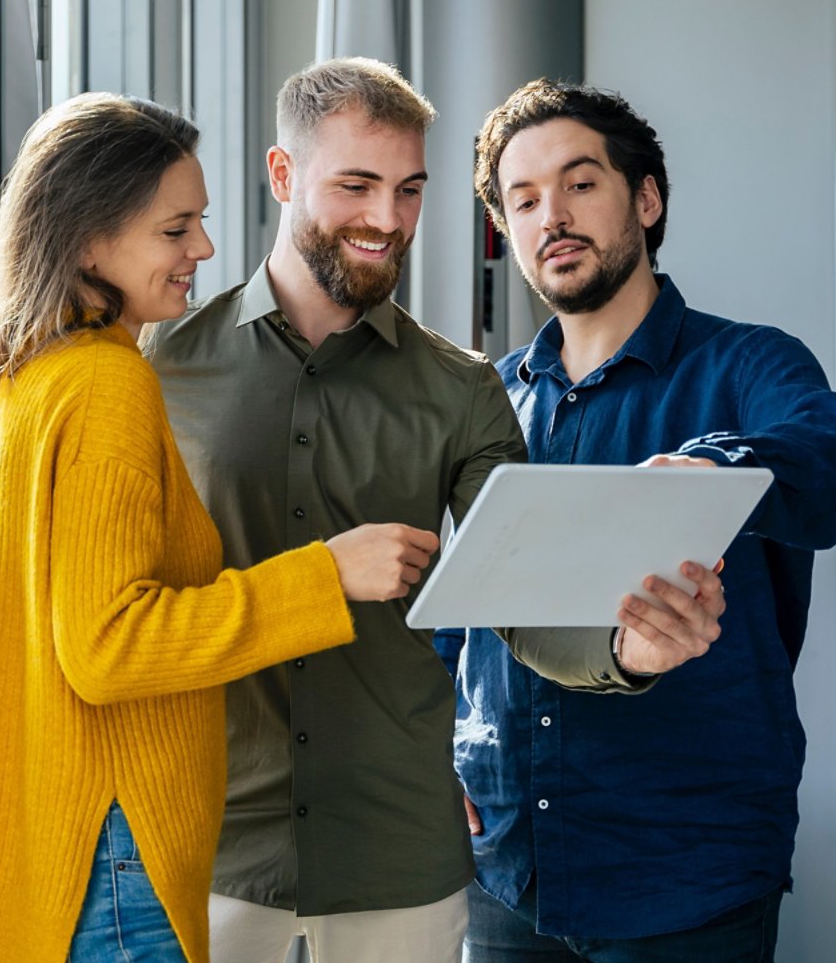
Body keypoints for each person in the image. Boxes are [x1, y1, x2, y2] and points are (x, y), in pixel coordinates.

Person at [143, 58, 728, 963]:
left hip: (400, 865)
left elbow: (522, 596)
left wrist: (622, 650)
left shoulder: (462, 389)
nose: (387, 220)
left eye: (409, 190)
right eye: (357, 185)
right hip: (202, 847)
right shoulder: (157, 367)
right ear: (283, 175)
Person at [0, 92, 442, 963]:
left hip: (65, 846)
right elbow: (107, 645)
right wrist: (324, 575)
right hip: (117, 855)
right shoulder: (109, 387)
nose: (204, 249)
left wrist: (52, 708)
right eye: (175, 228)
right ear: (87, 237)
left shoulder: (35, 376)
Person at [448, 79, 836, 962]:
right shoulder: (485, 401)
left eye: (579, 183)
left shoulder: (747, 361)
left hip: (687, 874)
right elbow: (449, 611)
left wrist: (709, 473)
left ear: (644, 199)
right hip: (507, 874)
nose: (550, 217)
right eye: (522, 200)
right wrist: (429, 758)